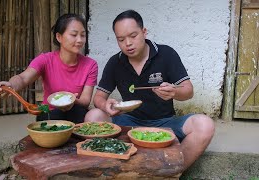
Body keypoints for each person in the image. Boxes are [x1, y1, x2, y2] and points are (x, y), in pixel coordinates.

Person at [85, 10, 214, 171]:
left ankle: (172, 172)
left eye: (133, 35)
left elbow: (188, 91)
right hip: (128, 122)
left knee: (205, 124)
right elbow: (98, 97)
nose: (128, 43)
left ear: (144, 32)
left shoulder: (166, 54)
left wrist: (174, 92)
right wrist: (106, 106)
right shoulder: (115, 62)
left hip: (165, 123)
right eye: (121, 39)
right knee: (93, 115)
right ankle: (112, 169)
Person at [0, 13, 98, 123]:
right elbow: (23, 78)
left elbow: (85, 101)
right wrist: (11, 85)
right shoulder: (45, 60)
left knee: (82, 113)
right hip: (50, 113)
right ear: (59, 37)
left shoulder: (90, 65)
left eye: (83, 35)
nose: (80, 40)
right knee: (54, 116)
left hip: (76, 112)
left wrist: (72, 101)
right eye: (74, 35)